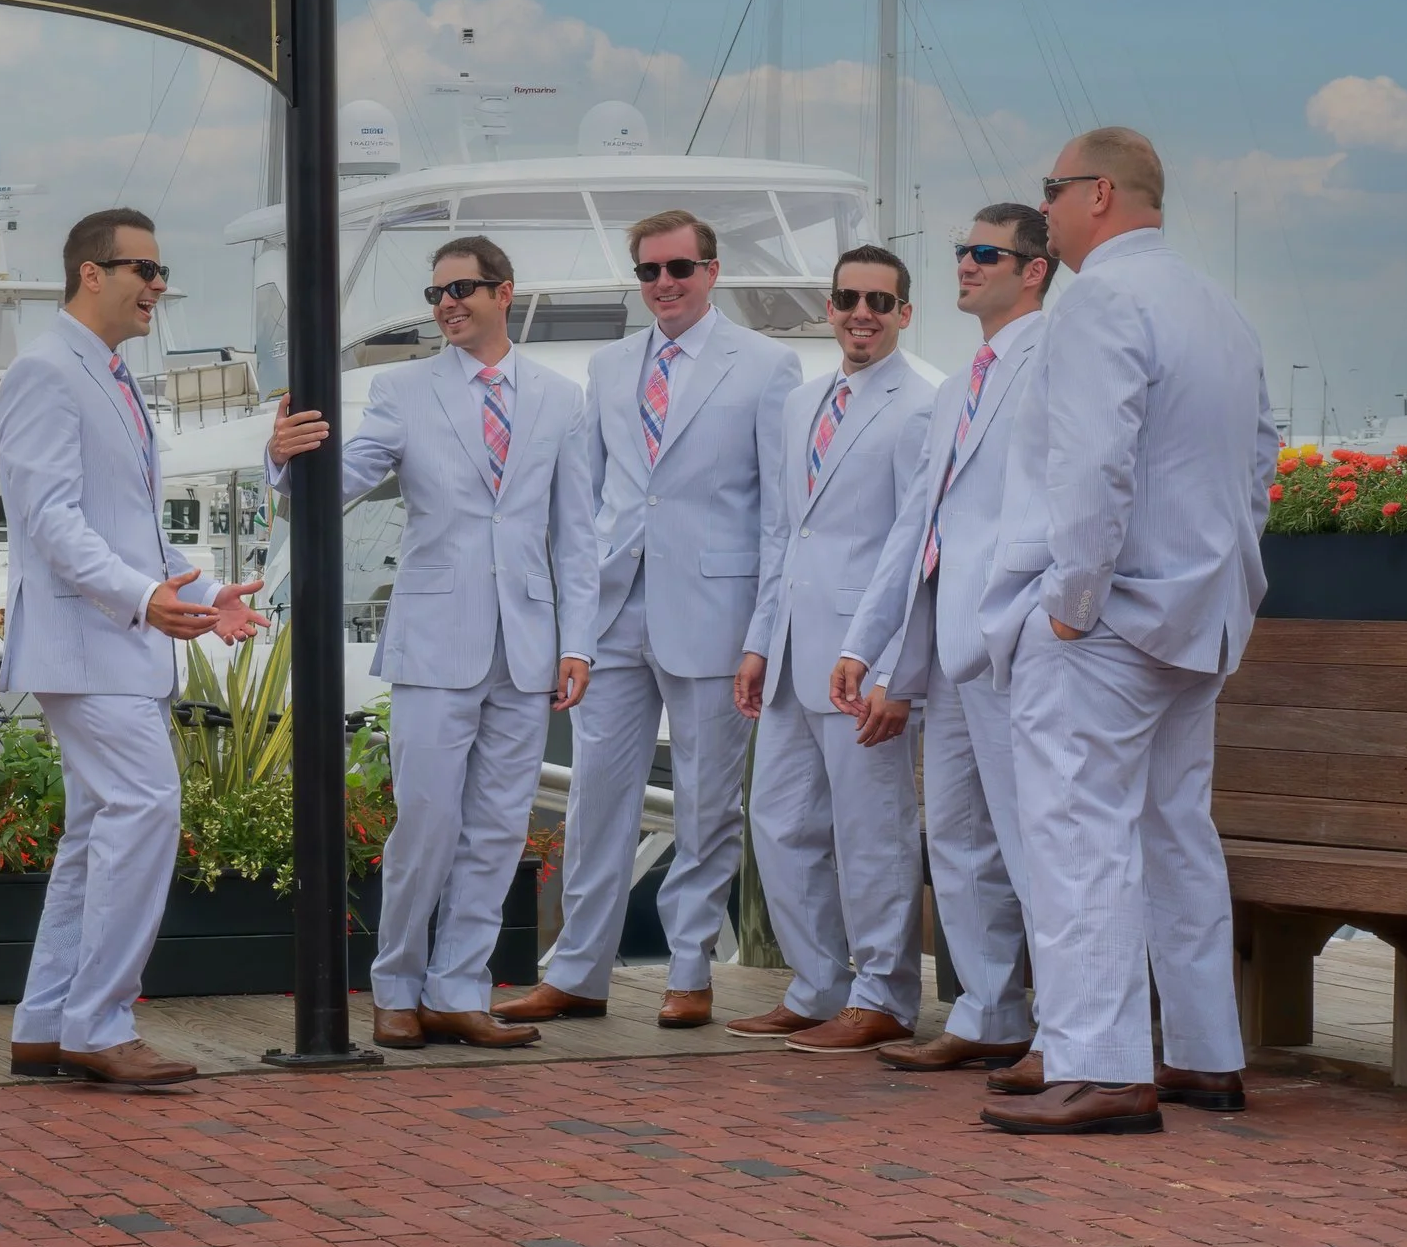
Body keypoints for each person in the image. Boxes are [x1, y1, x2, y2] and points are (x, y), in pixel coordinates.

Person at [979, 128, 1277, 1135]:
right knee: (1174, 833)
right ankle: (1201, 1053)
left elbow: (1091, 465)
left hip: (1108, 620)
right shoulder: (1218, 307)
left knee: (1075, 831)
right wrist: (1225, 580)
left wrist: (1070, 600)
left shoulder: (1099, 299)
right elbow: (1259, 464)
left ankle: (1100, 1065)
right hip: (1199, 614)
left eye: (1052, 191)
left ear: (1098, 194)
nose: (1045, 209)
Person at [269, 236, 597, 1050]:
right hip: (433, 638)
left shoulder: (562, 399)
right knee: (424, 819)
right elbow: (336, 486)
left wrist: (578, 643)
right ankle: (395, 984)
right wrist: (282, 463)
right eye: (437, 292)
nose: (448, 303)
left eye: (464, 289)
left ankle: (459, 988)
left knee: (497, 827)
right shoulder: (404, 390)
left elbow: (579, 536)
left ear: (504, 292)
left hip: (525, 645)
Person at [496, 210, 800, 1031]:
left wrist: (761, 636)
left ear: (712, 270)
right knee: (596, 798)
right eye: (649, 272)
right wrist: (575, 626)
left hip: (717, 611)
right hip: (612, 608)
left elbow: (781, 517)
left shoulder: (768, 368)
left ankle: (692, 967)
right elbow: (589, 496)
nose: (663, 284)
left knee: (705, 804)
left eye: (679, 269)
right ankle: (579, 972)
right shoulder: (610, 363)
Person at [0, 206, 264, 1087]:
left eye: (160, 271)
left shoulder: (106, 375)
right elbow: (50, 521)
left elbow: (129, 522)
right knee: (148, 809)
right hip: (86, 640)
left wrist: (191, 585)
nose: (159, 286)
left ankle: (47, 1023)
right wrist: (144, 598)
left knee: (96, 832)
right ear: (91, 274)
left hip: (115, 640)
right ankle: (100, 1024)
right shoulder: (46, 370)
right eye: (145, 270)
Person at [832, 205, 1054, 1074]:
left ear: (1033, 269)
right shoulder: (963, 382)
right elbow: (916, 531)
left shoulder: (1052, 361)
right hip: (950, 646)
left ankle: (1070, 1027)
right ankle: (989, 1011)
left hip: (1019, 639)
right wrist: (869, 642)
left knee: (1036, 840)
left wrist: (1048, 613)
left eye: (985, 252)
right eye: (962, 250)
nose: (964, 263)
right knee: (958, 837)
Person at [730, 244, 931, 1054]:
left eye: (879, 301)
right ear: (829, 305)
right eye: (848, 297)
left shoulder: (923, 406)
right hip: (787, 654)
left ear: (904, 314)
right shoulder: (800, 405)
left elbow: (918, 550)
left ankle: (884, 992)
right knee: (778, 823)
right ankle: (817, 985)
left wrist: (895, 669)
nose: (861, 313)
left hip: (864, 657)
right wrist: (757, 642)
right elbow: (783, 532)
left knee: (873, 831)